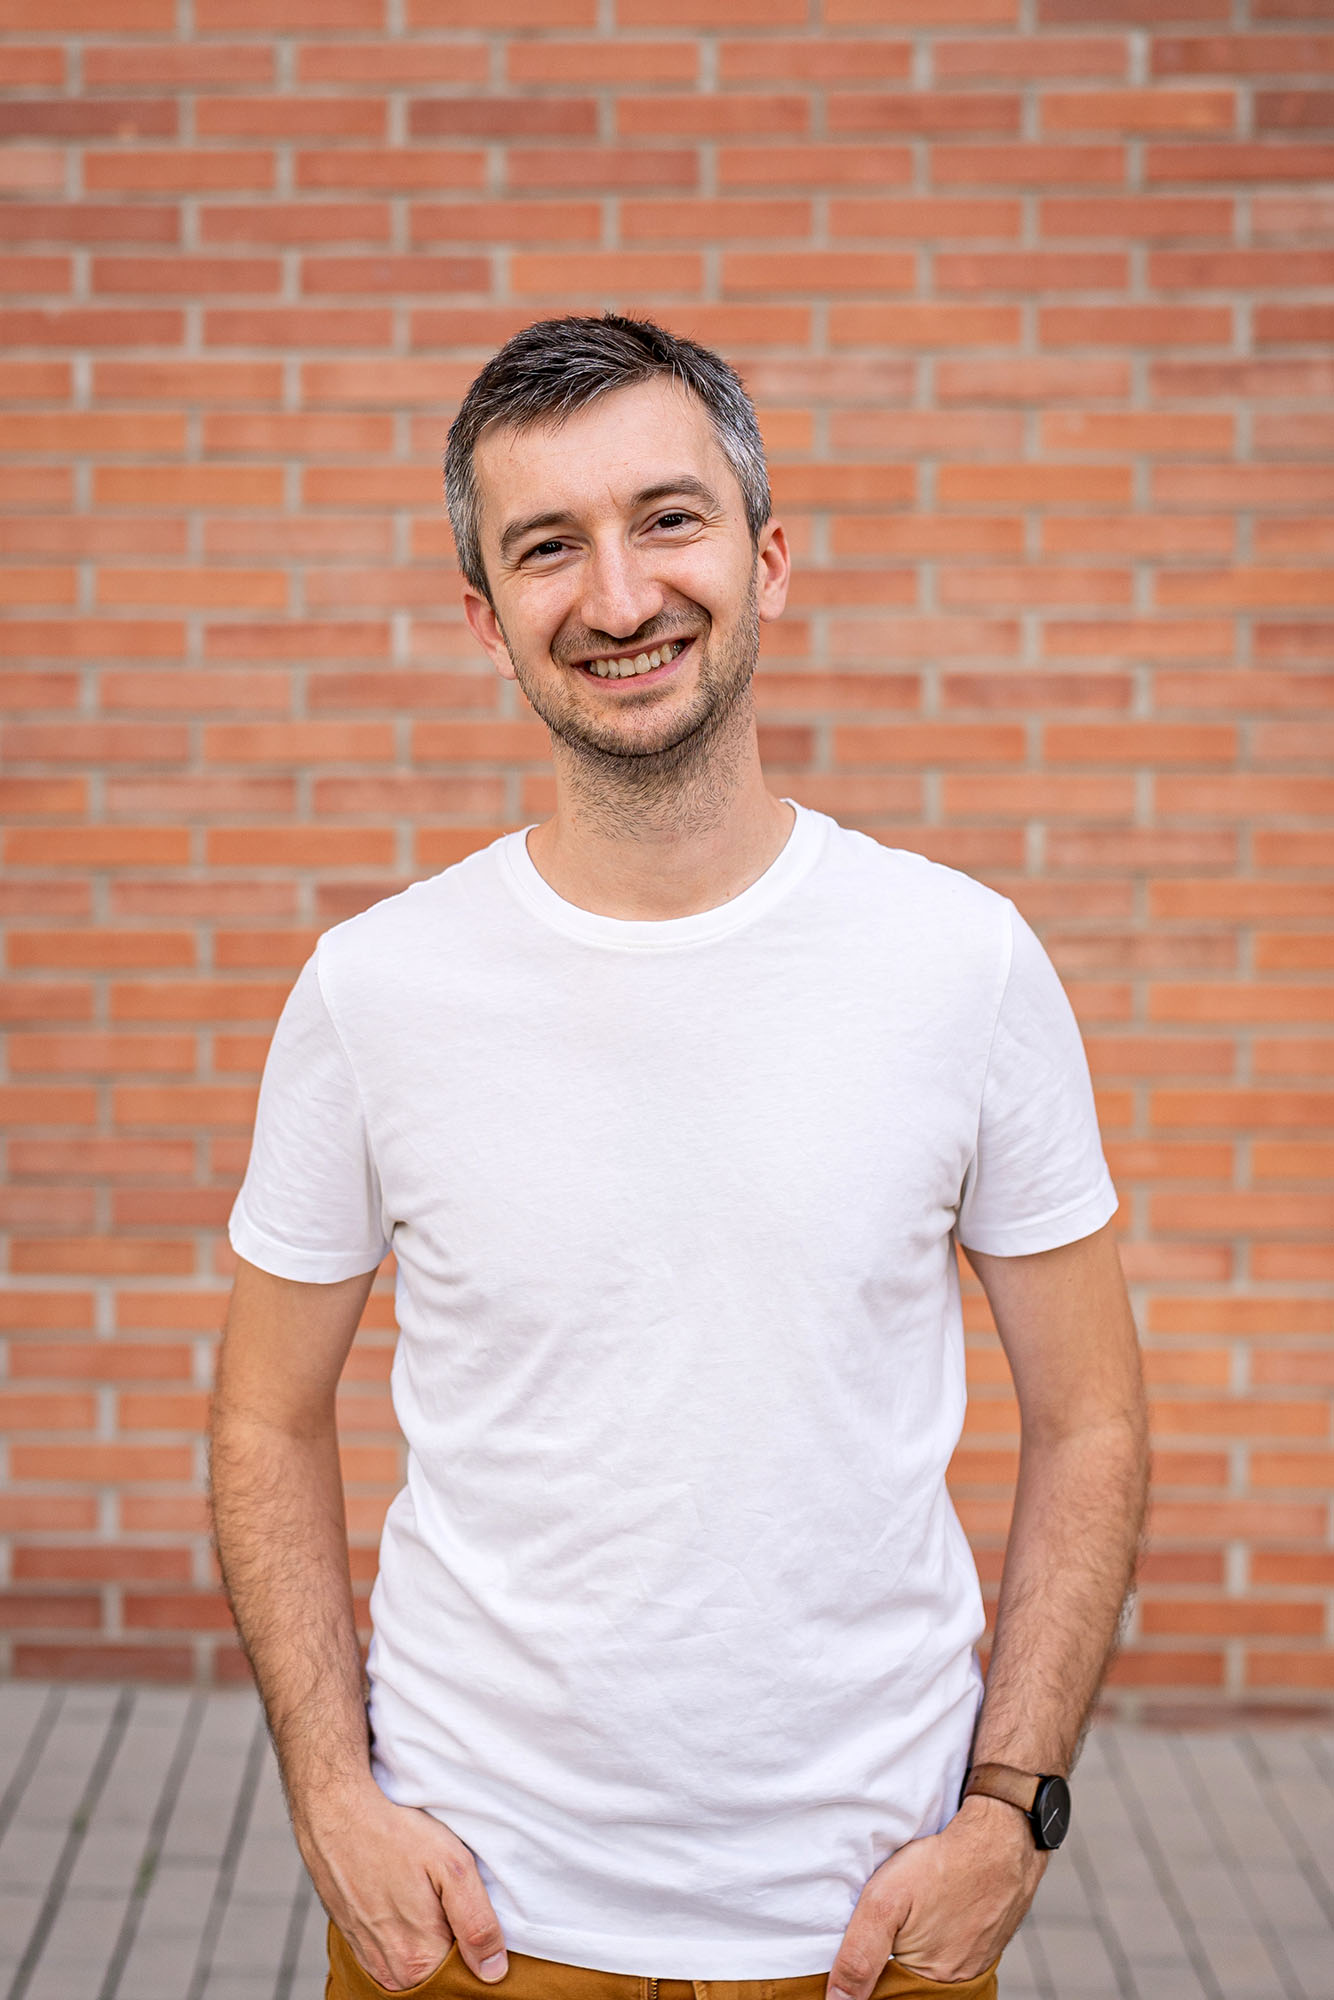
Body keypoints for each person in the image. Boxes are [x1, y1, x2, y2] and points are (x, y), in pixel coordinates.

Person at [210, 313, 1149, 2000]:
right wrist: (329, 1793)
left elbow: (1090, 1420)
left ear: (765, 558)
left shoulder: (962, 962)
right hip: (468, 1931)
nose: (620, 594)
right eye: (546, 547)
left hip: (872, 1930)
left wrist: (1012, 1809)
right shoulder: (374, 989)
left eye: (666, 519)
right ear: (484, 619)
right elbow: (263, 1418)